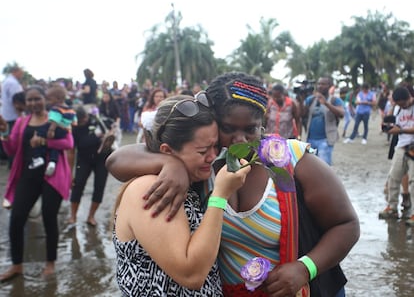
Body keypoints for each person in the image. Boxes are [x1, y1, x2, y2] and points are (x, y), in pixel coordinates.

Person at [106, 72, 360, 297]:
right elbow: (117, 159)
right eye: (228, 129)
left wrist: (306, 267)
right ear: (213, 122)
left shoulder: (290, 161)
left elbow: (346, 224)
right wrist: (168, 165)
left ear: (263, 123)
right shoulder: (205, 162)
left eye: (250, 129)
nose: (240, 140)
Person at [113, 94, 250, 296]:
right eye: (203, 151)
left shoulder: (187, 179)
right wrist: (221, 194)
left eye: (215, 146)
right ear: (167, 150)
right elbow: (191, 275)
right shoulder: (150, 188)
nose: (213, 157)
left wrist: (171, 163)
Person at [0, 85, 73, 281]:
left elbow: (68, 143)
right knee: (16, 218)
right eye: (29, 100)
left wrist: (43, 142)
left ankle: (50, 263)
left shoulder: (56, 118)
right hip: (28, 176)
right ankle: (17, 265)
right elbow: (11, 150)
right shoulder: (22, 122)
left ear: (44, 99)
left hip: (52, 176)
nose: (33, 103)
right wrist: (5, 133)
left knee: (49, 218)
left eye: (37, 99)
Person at [67, 106, 114, 226]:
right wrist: (70, 173)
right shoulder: (73, 128)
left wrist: (109, 135)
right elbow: (71, 151)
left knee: (99, 187)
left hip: (101, 159)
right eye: (80, 121)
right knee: (77, 186)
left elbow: (111, 130)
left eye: (84, 120)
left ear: (87, 116)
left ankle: (91, 216)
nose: (83, 123)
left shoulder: (96, 120)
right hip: (83, 159)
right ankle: (73, 216)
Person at [378, 86, 414, 226]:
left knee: (413, 182)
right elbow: (398, 123)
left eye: (403, 103)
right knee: (393, 177)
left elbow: (403, 128)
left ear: (409, 98)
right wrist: (390, 126)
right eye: (398, 104)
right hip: (401, 146)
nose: (402, 106)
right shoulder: (398, 108)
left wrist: (401, 130)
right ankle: (392, 208)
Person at [29, 83, 77, 176]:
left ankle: (37, 157)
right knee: (54, 146)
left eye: (49, 99)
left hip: (54, 129)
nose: (48, 101)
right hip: (64, 130)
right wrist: (67, 125)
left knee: (39, 133)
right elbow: (74, 122)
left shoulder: (55, 109)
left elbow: (54, 121)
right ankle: (53, 162)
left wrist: (51, 130)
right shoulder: (71, 109)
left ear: (58, 99)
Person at [304, 76, 345, 165]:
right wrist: (300, 99)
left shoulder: (335, 100)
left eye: (323, 84)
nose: (320, 86)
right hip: (310, 139)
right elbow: (302, 114)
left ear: (329, 86)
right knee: (311, 167)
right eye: (318, 84)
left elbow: (342, 114)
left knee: (323, 166)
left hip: (325, 140)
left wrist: (326, 103)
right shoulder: (311, 99)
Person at [0, 65, 24, 166]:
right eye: (21, 72)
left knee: (5, 137)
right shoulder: (14, 83)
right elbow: (17, 101)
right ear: (16, 71)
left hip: (5, 114)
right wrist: (20, 115)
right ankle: (13, 162)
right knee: (14, 140)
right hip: (13, 116)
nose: (22, 75)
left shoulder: (6, 81)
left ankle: (5, 159)